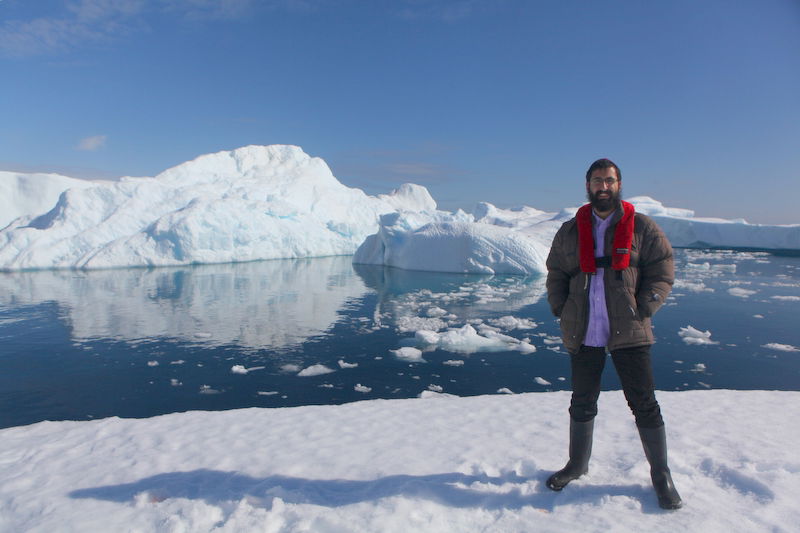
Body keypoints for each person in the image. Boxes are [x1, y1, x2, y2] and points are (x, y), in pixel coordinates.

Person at [544, 158, 682, 510]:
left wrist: (648, 304)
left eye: (609, 180)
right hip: (584, 327)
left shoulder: (642, 227)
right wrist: (561, 308)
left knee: (644, 403)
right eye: (596, 181)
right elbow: (557, 271)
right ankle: (577, 464)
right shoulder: (570, 230)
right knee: (582, 400)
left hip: (629, 326)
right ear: (587, 185)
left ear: (619, 184)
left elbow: (663, 268)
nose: (603, 187)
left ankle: (661, 473)